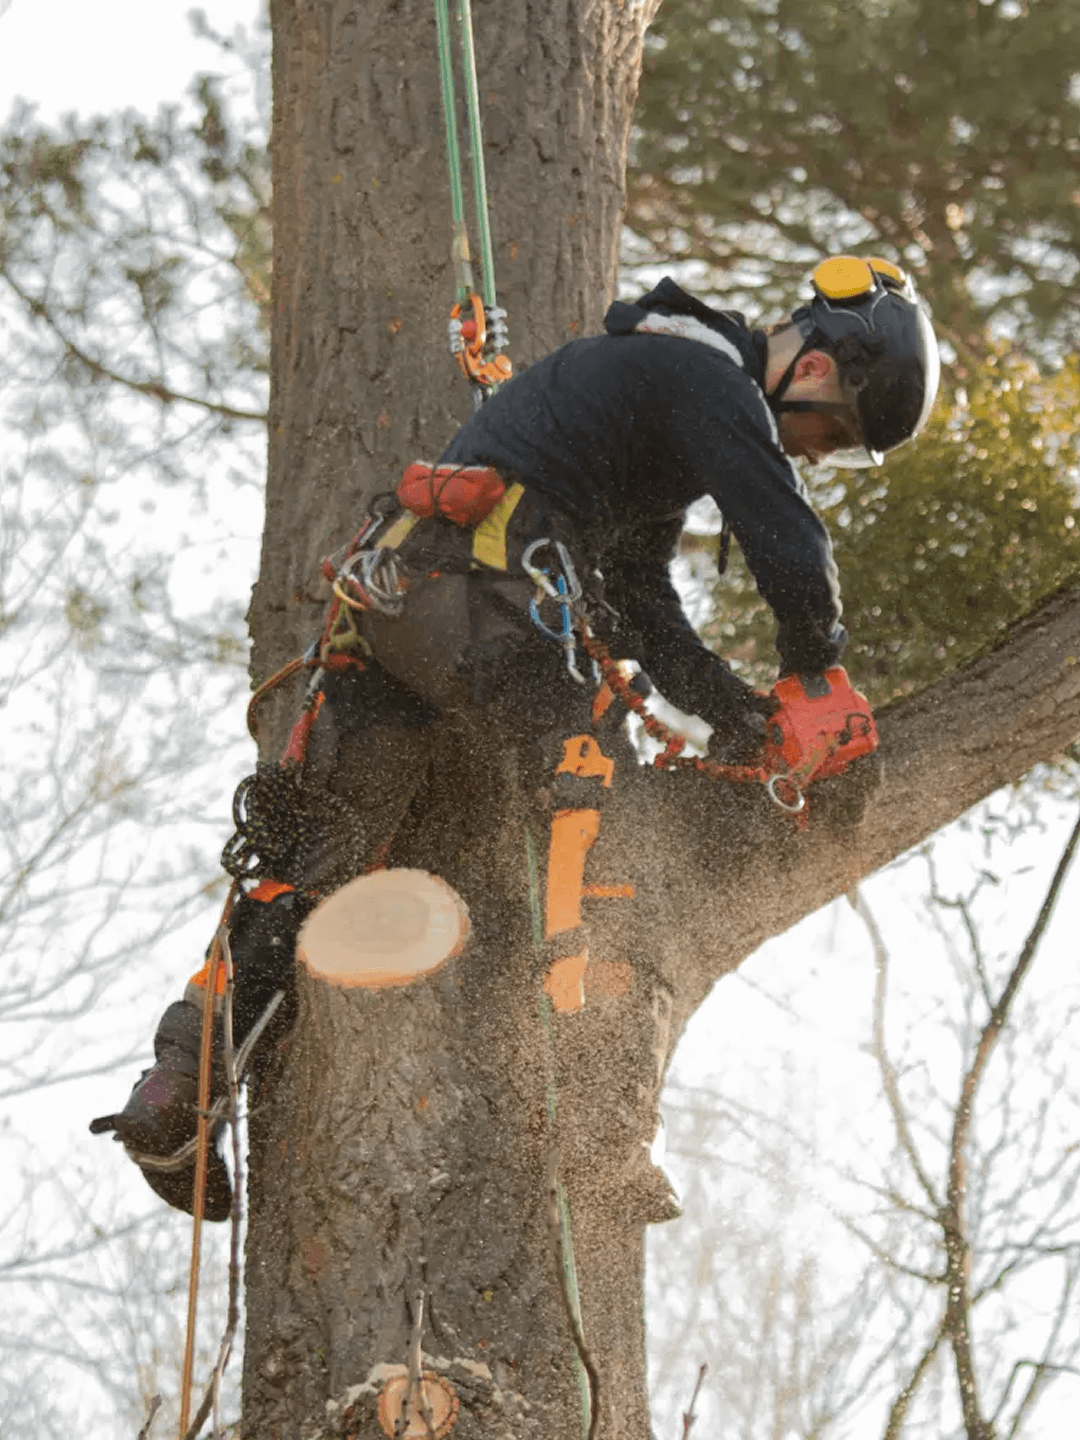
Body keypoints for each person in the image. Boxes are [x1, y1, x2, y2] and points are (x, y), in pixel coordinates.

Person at [91, 255, 940, 1219]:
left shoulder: (646, 382)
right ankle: (599, 1123)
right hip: (493, 607)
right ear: (823, 369)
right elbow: (784, 528)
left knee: (313, 861)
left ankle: (175, 1090)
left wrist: (742, 711)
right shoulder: (707, 376)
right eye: (831, 437)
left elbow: (642, 603)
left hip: (401, 605)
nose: (819, 454)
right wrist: (815, 676)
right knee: (604, 830)